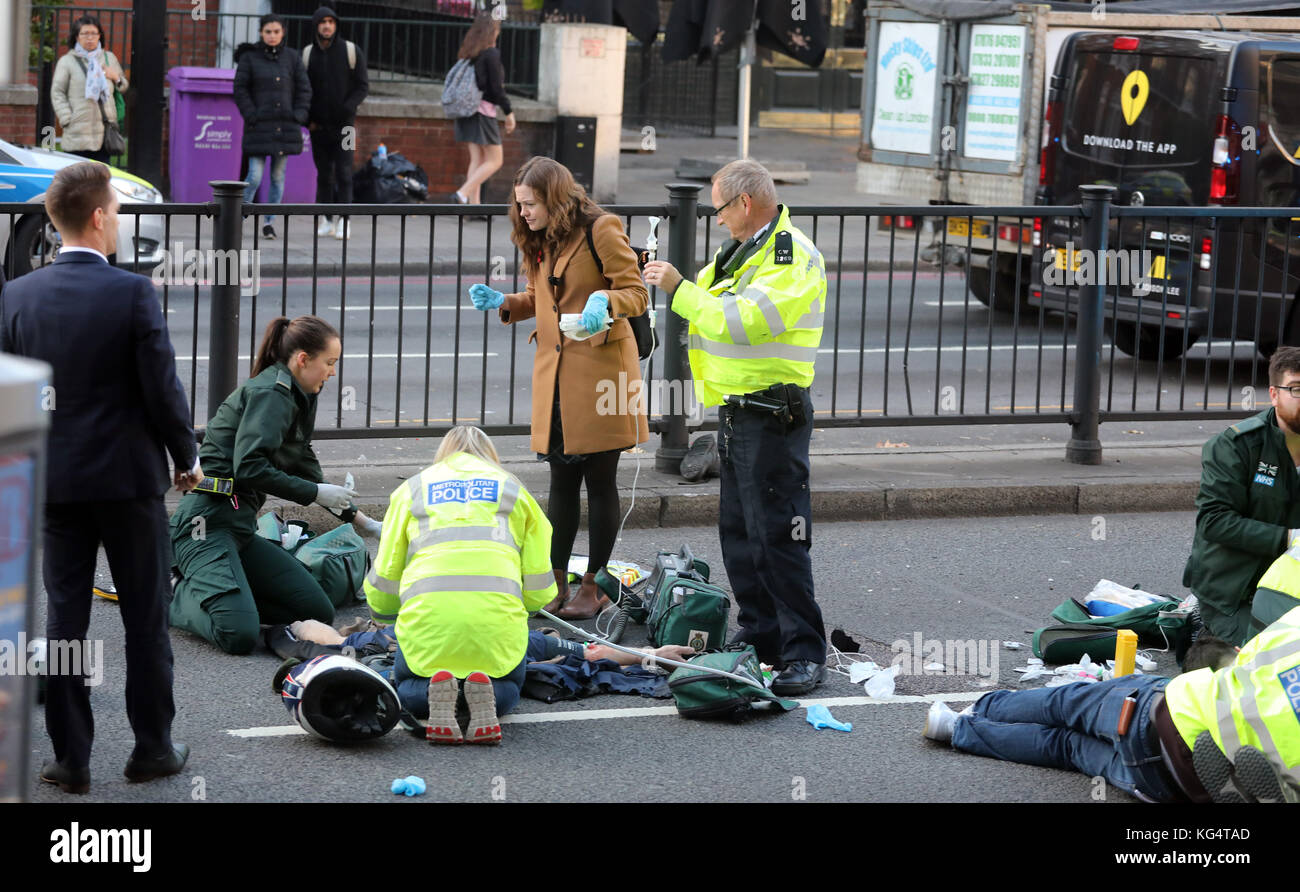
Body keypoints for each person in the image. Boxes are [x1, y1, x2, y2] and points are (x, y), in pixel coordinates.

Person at [0, 162, 198, 794]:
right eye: (115, 208)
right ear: (98, 217)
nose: (118, 220)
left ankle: (71, 760)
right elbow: (161, 389)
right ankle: (151, 750)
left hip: (55, 483)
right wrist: (186, 458)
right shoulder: (133, 293)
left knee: (64, 620)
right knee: (145, 617)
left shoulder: (16, 296)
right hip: (128, 480)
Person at [642, 159, 828, 696]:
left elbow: (742, 321)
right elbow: (705, 299)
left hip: (773, 411)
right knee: (741, 534)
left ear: (746, 203)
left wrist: (677, 287)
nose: (716, 220)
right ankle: (762, 637)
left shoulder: (792, 255)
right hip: (739, 411)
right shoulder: (744, 251)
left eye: (719, 208)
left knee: (778, 535)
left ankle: (803, 653)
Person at [466, 157, 648, 620]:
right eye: (519, 204)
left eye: (530, 204)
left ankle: (595, 584)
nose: (523, 212)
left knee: (600, 481)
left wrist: (604, 298)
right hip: (557, 374)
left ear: (554, 198)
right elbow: (541, 297)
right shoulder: (541, 237)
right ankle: (555, 579)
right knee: (561, 481)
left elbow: (636, 292)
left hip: (605, 370)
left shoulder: (601, 228)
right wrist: (505, 301)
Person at [923, 615, 1300, 804]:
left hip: (1162, 711)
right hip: (1166, 783)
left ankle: (983, 706)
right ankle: (957, 730)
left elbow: (1241, 657)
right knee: (1067, 749)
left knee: (1065, 704)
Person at [169, 315, 362, 655]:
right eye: (329, 363)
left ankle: (226, 594)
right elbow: (249, 468)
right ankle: (169, 591)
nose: (333, 372)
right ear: (303, 359)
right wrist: (317, 492)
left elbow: (302, 461)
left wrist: (361, 520)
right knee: (237, 634)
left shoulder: (296, 394)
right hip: (205, 526)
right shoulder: (272, 394)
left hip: (239, 529)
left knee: (316, 610)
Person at [362, 426, 557, 745]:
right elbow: (538, 580)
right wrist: (531, 606)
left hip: (430, 623)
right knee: (508, 688)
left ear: (443, 453)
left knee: (408, 685)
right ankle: (486, 693)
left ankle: (432, 693)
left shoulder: (413, 489)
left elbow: (386, 571)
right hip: (494, 626)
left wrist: (386, 614)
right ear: (490, 455)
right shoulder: (512, 489)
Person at [1183, 346, 1300, 646]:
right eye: (1296, 389)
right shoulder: (1236, 445)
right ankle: (1204, 626)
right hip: (1235, 589)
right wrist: (1289, 538)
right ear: (1274, 394)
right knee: (1271, 660)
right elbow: (1214, 521)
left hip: (1289, 585)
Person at [233, 13, 311, 240]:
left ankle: (269, 222)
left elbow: (304, 89)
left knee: (278, 176)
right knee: (254, 175)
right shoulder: (250, 58)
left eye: (276, 32)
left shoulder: (292, 58)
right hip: (259, 126)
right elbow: (240, 89)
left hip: (285, 127)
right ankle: (239, 217)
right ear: (261, 33)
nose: (272, 36)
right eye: (268, 32)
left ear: (283, 33)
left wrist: (299, 114)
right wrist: (251, 114)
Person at [303, 5, 368, 241]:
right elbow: (303, 89)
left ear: (336, 25)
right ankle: (327, 219)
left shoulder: (351, 51)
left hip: (346, 127)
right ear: (316, 26)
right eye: (323, 22)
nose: (327, 26)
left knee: (344, 172)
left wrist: (347, 108)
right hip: (318, 128)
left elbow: (362, 86)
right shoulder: (308, 54)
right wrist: (307, 119)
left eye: (331, 22)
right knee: (323, 174)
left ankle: (345, 220)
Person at [450, 14, 516, 206]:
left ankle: (474, 206)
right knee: (496, 160)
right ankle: (462, 194)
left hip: (467, 111)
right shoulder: (491, 54)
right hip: (483, 112)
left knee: (477, 159)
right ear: (493, 32)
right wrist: (509, 112)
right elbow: (496, 89)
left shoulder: (471, 52)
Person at [50, 15, 128, 164]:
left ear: (100, 36)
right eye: (85, 33)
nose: (90, 38)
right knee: (78, 180)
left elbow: (123, 86)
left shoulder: (109, 58)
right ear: (76, 37)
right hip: (78, 131)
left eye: (94, 33)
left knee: (102, 178)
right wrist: (67, 118)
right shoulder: (67, 61)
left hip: (104, 132)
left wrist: (115, 77)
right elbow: (57, 92)